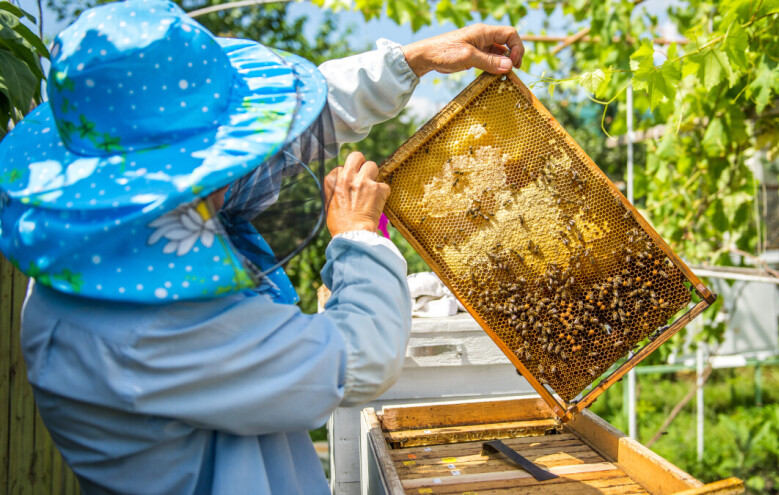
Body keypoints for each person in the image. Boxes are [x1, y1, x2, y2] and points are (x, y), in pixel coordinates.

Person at [0, 1, 524, 493]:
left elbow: (280, 141)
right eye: (218, 153)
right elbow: (359, 357)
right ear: (174, 177)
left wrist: (413, 60)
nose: (234, 168)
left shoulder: (110, 230)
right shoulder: (147, 331)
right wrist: (359, 236)